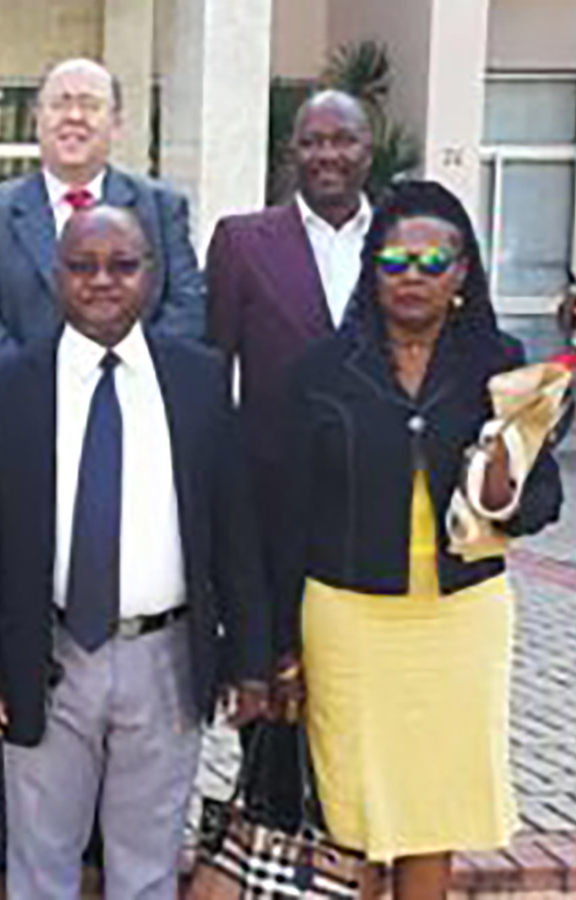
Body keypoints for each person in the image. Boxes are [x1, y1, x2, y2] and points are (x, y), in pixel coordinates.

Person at [0, 205, 269, 899]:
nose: (102, 281)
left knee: (147, 867)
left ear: (151, 274)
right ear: (56, 275)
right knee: (40, 864)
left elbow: (234, 532)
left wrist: (248, 659)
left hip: (166, 656)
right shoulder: (6, 389)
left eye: (122, 266)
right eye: (82, 266)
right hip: (46, 654)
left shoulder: (199, 381)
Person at [273, 180, 563, 899]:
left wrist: (502, 483)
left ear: (462, 273)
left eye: (433, 262)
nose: (413, 276)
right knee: (351, 809)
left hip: (459, 618)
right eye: (395, 261)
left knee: (433, 811)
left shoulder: (499, 365)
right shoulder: (320, 371)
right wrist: (278, 645)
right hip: (347, 618)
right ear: (371, 270)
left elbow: (542, 500)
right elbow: (283, 516)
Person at [205, 89, 374, 829]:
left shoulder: (401, 241)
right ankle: (272, 836)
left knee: (359, 704)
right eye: (312, 141)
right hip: (269, 514)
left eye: (343, 140)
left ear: (368, 149)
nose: (327, 155)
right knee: (273, 689)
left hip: (374, 515)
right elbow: (213, 371)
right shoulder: (244, 242)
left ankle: (349, 841)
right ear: (291, 152)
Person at [0, 58, 203, 374]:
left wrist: (123, 376)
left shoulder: (161, 209)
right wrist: (38, 385)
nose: (74, 117)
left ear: (116, 122)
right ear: (37, 118)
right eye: (59, 104)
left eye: (90, 105)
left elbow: (185, 308)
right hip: (25, 395)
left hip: (133, 392)